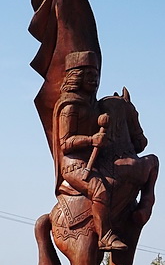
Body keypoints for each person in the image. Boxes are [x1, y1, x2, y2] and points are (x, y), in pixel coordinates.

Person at [53, 51, 127, 251]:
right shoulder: (70, 106)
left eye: (96, 75)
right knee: (99, 189)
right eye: (89, 75)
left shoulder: (93, 105)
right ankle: (104, 236)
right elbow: (65, 143)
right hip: (73, 165)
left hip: (91, 160)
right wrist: (91, 139)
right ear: (76, 76)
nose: (94, 80)